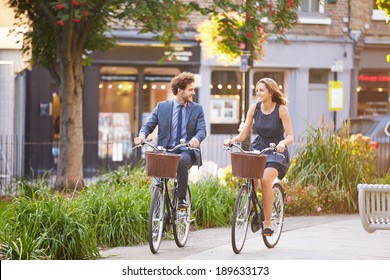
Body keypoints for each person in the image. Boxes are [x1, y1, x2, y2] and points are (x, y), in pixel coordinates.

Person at [223, 77, 294, 236]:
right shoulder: (254, 108)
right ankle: (252, 209)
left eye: (262, 90)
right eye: (257, 90)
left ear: (270, 91)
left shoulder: (281, 109)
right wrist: (232, 140)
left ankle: (267, 223)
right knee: (251, 178)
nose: (258, 93)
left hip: (276, 150)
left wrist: (283, 142)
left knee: (266, 179)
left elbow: (290, 136)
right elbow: (243, 134)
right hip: (259, 147)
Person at [134, 72, 207, 209]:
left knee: (181, 160)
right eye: (190, 90)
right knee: (158, 181)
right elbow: (149, 124)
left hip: (186, 150)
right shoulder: (162, 107)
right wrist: (142, 135)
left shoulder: (197, 109)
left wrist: (196, 139)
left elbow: (202, 130)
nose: (193, 92)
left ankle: (181, 199)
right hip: (165, 150)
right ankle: (159, 209)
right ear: (180, 90)